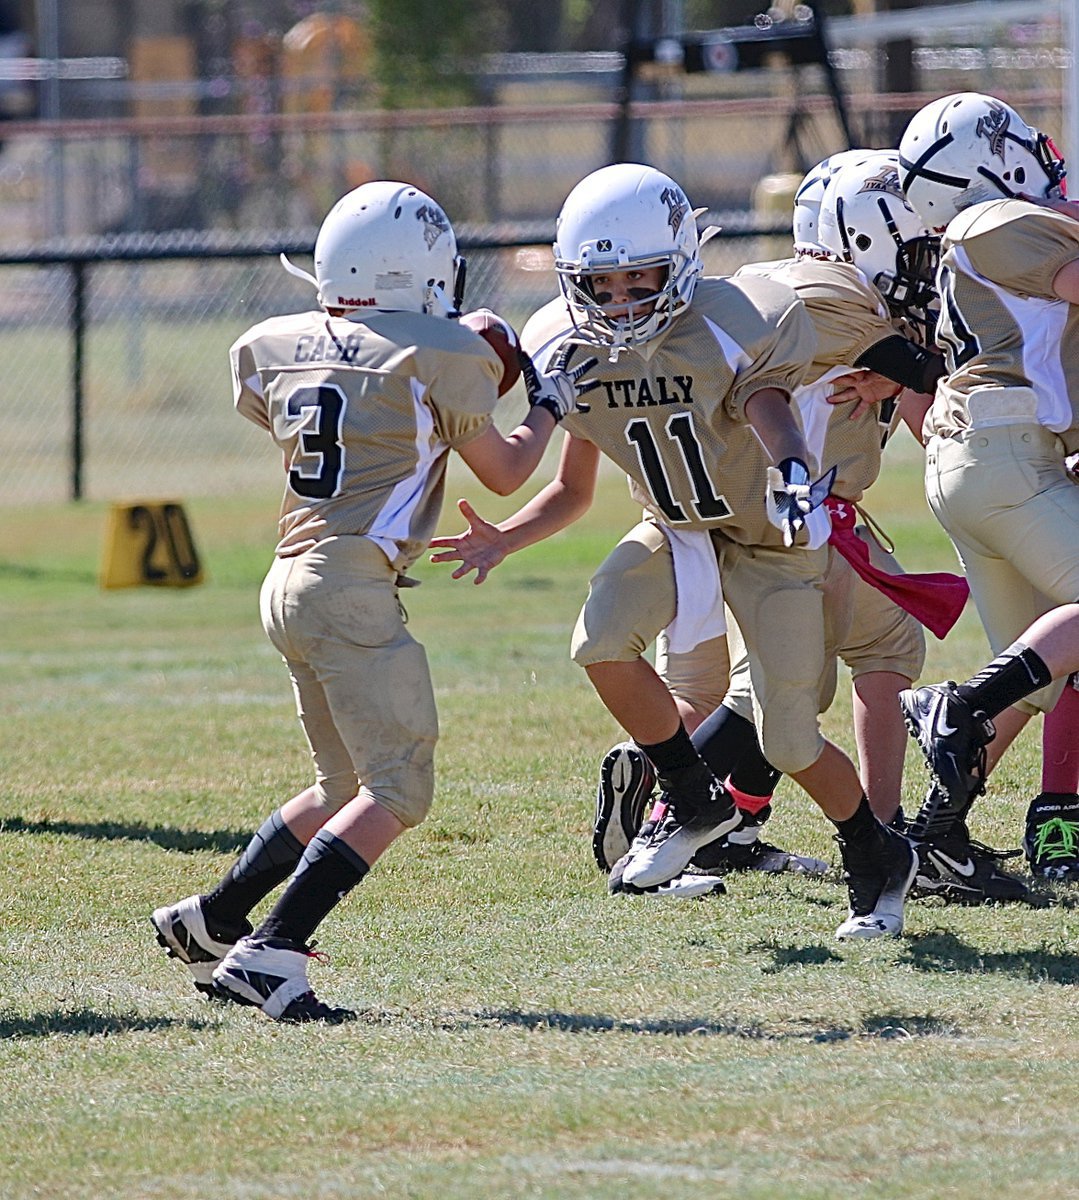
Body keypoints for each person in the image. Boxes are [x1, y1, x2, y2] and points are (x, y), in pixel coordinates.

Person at [430, 162, 918, 939]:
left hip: (766, 537)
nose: (621, 303)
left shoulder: (732, 319)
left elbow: (767, 405)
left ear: (681, 265)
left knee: (787, 737)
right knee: (599, 640)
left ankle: (875, 851)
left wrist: (793, 468)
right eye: (602, 286)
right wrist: (504, 534)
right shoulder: (563, 342)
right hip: (676, 529)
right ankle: (694, 801)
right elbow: (565, 480)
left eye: (640, 280)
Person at [151, 180, 583, 1022]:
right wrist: (545, 402)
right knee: (397, 789)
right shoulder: (436, 351)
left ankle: (215, 918)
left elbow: (309, 407)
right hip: (350, 585)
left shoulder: (271, 342)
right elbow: (504, 471)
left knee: (341, 780)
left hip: (288, 580)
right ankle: (271, 953)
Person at [894, 92, 1079, 882]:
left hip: (988, 456)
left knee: (1039, 670)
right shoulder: (990, 222)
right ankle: (957, 706)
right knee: (1014, 675)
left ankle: (933, 835)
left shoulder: (975, 234)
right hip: (1004, 456)